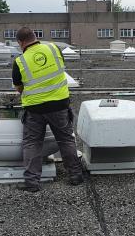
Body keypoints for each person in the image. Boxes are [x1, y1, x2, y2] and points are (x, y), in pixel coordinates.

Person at [11, 27, 83, 192]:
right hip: (59, 105)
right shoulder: (53, 48)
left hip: (35, 108)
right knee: (66, 140)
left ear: (20, 42)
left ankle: (32, 183)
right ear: (35, 37)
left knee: (32, 143)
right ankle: (75, 176)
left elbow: (19, 87)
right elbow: (60, 69)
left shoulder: (20, 61)